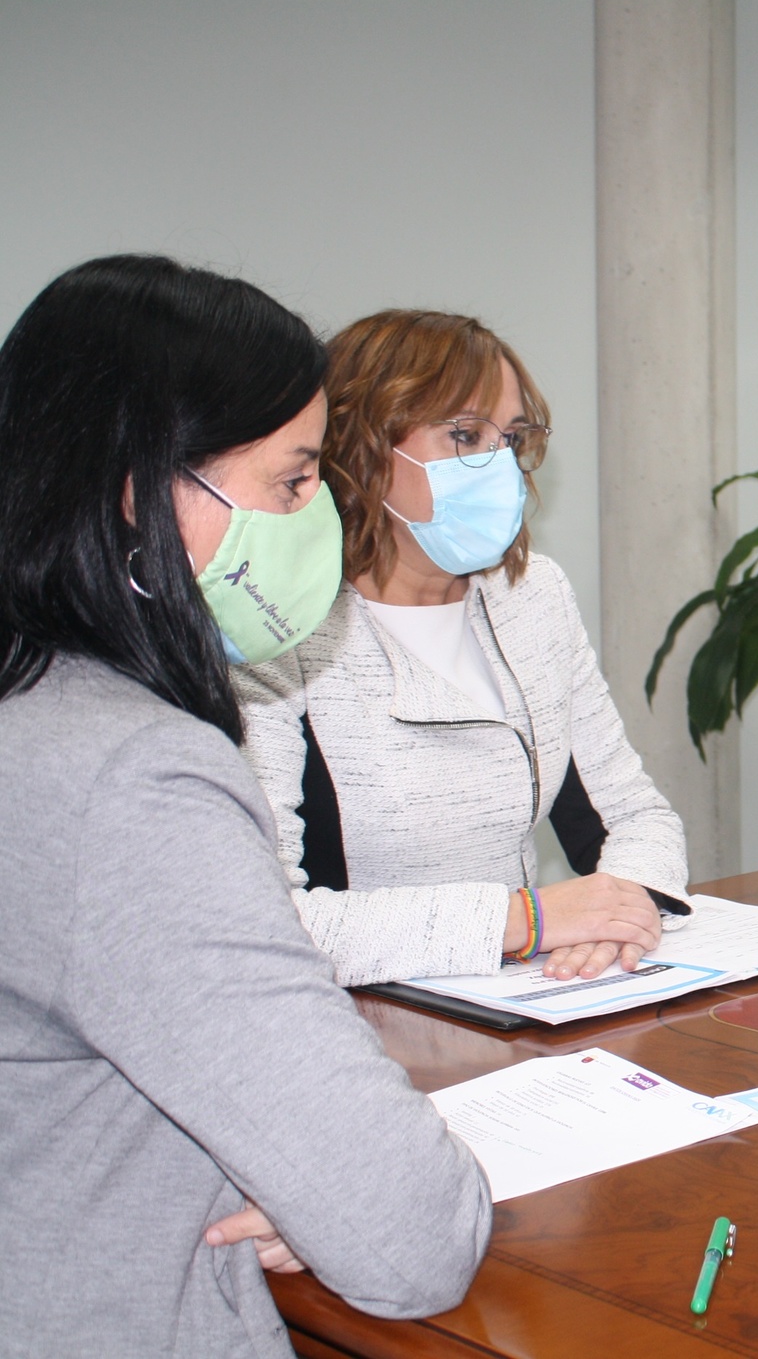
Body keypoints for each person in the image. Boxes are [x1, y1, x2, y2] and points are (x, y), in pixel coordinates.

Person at [0, 255, 491, 1357]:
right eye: (292, 481)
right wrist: (315, 1181)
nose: (321, 515)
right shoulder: (130, 780)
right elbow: (412, 1232)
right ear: (141, 494)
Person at [231, 310, 688, 988]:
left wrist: (619, 912)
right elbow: (258, 921)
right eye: (466, 435)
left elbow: (633, 814)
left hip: (537, 998)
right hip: (355, 1019)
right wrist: (526, 920)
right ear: (362, 444)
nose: (498, 463)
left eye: (511, 438)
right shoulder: (276, 627)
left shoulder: (531, 597)